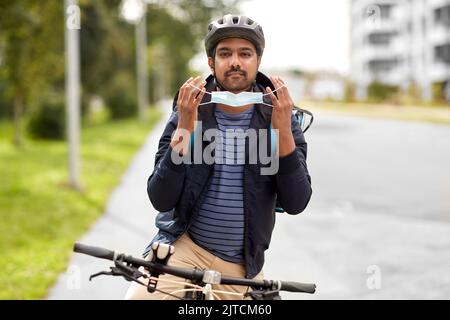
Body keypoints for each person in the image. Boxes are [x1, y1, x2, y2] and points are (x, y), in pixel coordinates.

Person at [125, 14, 312, 300]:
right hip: (184, 250)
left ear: (258, 61)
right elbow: (160, 198)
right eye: (225, 53)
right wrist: (185, 128)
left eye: (245, 53)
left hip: (242, 267)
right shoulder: (190, 109)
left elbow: (296, 202)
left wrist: (283, 131)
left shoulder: (280, 115)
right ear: (211, 63)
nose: (235, 62)